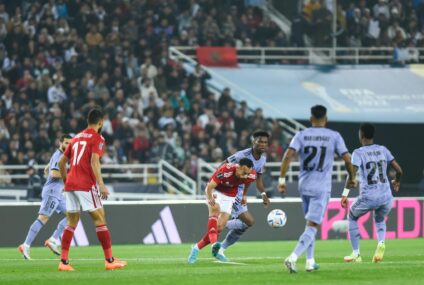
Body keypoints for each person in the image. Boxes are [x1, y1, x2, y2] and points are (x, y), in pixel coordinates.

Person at [278, 105, 356, 273]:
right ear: (326, 119)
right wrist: (352, 177)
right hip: (321, 187)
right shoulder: (334, 136)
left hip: (304, 185)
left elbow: (288, 156)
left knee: (309, 224)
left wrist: (282, 179)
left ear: (310, 118)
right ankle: (293, 257)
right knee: (313, 225)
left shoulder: (301, 135)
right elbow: (347, 158)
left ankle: (310, 261)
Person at [57, 108, 127, 271]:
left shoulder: (76, 138)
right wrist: (101, 185)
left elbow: (61, 162)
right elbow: (94, 161)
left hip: (71, 185)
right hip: (85, 184)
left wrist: (67, 181)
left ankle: (63, 262)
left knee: (71, 222)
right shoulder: (98, 138)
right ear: (101, 122)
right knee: (100, 219)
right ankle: (109, 260)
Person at [342, 123, 402, 263]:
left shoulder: (358, 153)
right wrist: (397, 181)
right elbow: (399, 170)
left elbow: (352, 175)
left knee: (352, 216)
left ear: (361, 135)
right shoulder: (383, 150)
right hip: (386, 196)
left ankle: (356, 254)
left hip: (369, 196)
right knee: (380, 219)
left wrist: (345, 194)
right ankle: (381, 243)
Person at [212, 130, 270, 261]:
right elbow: (223, 165)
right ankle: (219, 228)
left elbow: (258, 178)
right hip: (231, 191)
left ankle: (220, 248)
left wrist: (263, 194)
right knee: (249, 221)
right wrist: (218, 184)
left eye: (265, 142)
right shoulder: (241, 155)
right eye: (260, 141)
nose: (263, 144)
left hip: (241, 192)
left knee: (247, 223)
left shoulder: (262, 159)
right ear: (253, 141)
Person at [187, 158, 257, 264]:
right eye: (244, 173)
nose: (245, 176)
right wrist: (210, 198)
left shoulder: (251, 174)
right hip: (215, 191)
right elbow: (209, 187)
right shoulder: (225, 170)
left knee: (219, 228)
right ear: (238, 167)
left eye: (247, 174)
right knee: (215, 210)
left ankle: (196, 248)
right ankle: (215, 245)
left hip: (230, 196)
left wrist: (244, 194)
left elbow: (248, 182)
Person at [18, 134, 72, 260]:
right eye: (66, 143)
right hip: (52, 192)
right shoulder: (59, 156)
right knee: (43, 218)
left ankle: (53, 239)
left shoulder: (61, 155)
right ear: (60, 143)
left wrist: (48, 166)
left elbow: (51, 166)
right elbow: (54, 173)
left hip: (58, 193)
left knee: (73, 215)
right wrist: (69, 178)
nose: (68, 145)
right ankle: (25, 245)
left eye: (70, 143)